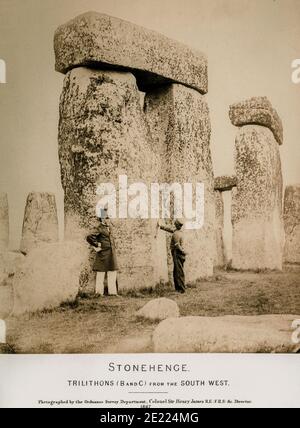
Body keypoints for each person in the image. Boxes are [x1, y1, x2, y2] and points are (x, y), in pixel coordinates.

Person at [86, 208, 118, 296]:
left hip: (111, 253)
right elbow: (89, 236)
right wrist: (97, 245)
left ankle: (113, 293)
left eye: (108, 217)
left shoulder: (110, 227)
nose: (107, 219)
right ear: (101, 219)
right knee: (101, 273)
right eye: (105, 218)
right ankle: (99, 293)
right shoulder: (99, 228)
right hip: (103, 253)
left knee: (112, 272)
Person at [158, 218, 186, 294]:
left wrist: (183, 252)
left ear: (176, 225)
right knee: (178, 271)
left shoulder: (176, 234)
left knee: (178, 272)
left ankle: (181, 289)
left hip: (177, 253)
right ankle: (179, 288)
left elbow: (177, 246)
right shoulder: (178, 232)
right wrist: (161, 226)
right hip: (179, 253)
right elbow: (170, 229)